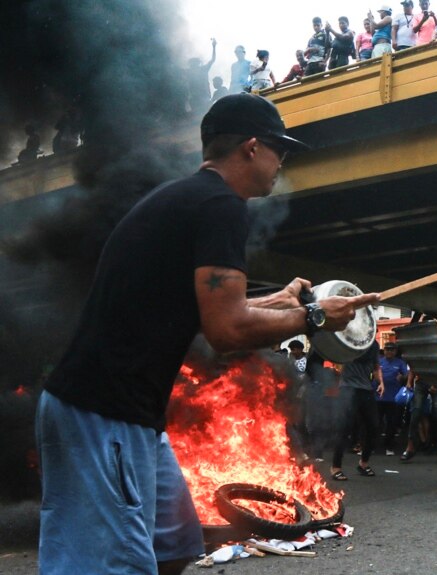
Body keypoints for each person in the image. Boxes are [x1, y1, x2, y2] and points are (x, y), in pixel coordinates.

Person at [35, 93, 379, 574]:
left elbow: (202, 310)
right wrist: (317, 317)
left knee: (175, 544)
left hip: (127, 415)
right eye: (280, 149)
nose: (283, 162)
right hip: (102, 412)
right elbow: (226, 330)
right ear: (253, 148)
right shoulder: (221, 206)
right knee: (113, 567)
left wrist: (274, 302)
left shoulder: (185, 197)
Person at [330, 341, 382, 480]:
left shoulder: (374, 345)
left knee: (374, 427)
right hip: (348, 388)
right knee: (344, 428)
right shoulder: (351, 340)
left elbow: (376, 366)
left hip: (366, 389)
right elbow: (337, 356)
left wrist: (381, 382)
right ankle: (336, 468)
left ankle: (363, 464)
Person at [377, 341, 411, 455]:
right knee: (376, 422)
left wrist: (402, 377)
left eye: (391, 350)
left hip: (394, 398)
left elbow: (407, 375)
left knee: (391, 423)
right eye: (387, 349)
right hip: (378, 397)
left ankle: (389, 447)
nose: (389, 352)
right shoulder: (379, 361)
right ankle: (373, 446)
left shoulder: (400, 363)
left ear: (395, 351)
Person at [186, 38, 217, 114]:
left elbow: (212, 59)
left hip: (204, 96)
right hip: (195, 97)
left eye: (195, 63)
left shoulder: (203, 69)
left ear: (198, 64)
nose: (194, 65)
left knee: (205, 113)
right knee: (198, 114)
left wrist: (214, 47)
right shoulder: (189, 72)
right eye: (192, 64)